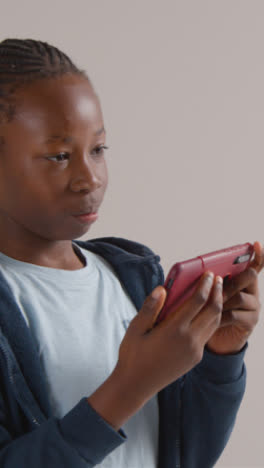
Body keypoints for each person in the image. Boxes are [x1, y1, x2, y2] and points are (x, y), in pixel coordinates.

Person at [0, 38, 262, 468]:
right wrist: (131, 385)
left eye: (99, 150)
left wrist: (219, 356)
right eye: (60, 156)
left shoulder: (134, 278)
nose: (90, 178)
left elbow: (188, 455)